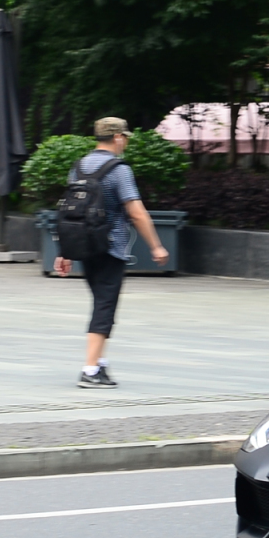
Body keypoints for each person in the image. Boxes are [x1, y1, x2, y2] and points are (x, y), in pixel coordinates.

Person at [53, 117, 169, 389]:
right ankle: (90, 370)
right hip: (110, 247)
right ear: (117, 137)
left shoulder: (79, 167)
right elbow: (136, 212)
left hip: (84, 247)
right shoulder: (119, 170)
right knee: (105, 307)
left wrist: (64, 251)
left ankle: (100, 365)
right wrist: (155, 245)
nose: (126, 142)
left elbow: (70, 213)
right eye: (125, 137)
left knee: (101, 304)